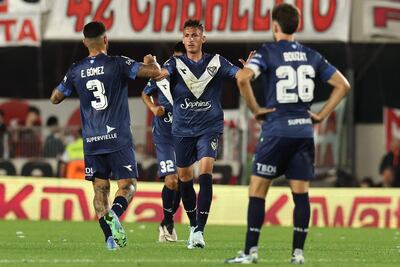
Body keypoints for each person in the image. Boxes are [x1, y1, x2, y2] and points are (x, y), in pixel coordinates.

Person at [225, 3, 350, 264]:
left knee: (258, 190)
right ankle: (298, 254)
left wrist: (256, 109)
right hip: (304, 132)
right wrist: (322, 114)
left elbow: (242, 78)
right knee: (301, 194)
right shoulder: (310, 54)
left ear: (274, 26)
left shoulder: (269, 52)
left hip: (276, 131)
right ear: (297, 26)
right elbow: (343, 85)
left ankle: (250, 253)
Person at [50, 21, 161, 250]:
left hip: (92, 140)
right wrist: (152, 63)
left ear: (84, 42)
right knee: (128, 186)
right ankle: (116, 215)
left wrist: (70, 84)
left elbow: (55, 98)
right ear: (106, 39)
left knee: (100, 190)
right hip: (117, 137)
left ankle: (109, 239)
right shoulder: (117, 63)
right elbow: (155, 74)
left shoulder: (76, 69)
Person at [157, 19, 250, 249]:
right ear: (183, 38)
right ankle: (192, 226)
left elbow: (240, 76)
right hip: (181, 130)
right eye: (187, 35)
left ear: (203, 38)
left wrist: (249, 70)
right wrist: (154, 70)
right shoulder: (175, 63)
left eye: (195, 35)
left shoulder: (216, 62)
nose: (190, 39)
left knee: (206, 171)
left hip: (209, 127)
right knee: (185, 179)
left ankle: (199, 230)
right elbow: (162, 74)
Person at [142, 41, 186, 242]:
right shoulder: (163, 73)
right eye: (175, 57)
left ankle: (165, 222)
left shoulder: (194, 77)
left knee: (182, 184)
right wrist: (153, 109)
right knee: (172, 180)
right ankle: (168, 224)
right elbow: (145, 93)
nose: (177, 62)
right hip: (164, 135)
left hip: (185, 136)